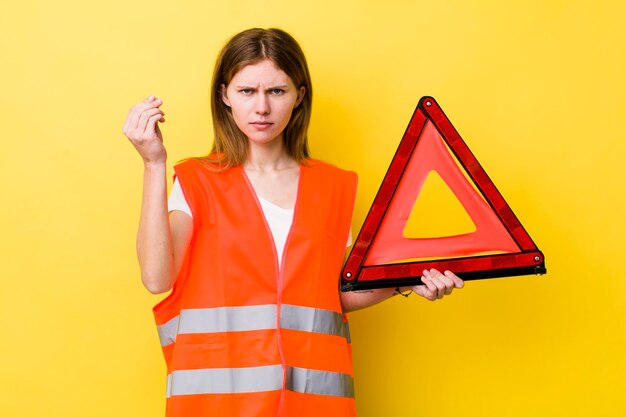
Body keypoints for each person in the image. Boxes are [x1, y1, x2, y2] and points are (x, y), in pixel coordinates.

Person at [122, 28, 464, 417]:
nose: (262, 108)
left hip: (313, 405)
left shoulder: (333, 186)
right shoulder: (198, 182)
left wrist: (405, 280)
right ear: (225, 96)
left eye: (277, 91)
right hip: (218, 406)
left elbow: (330, 297)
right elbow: (156, 278)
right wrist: (154, 163)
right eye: (247, 91)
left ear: (299, 95)